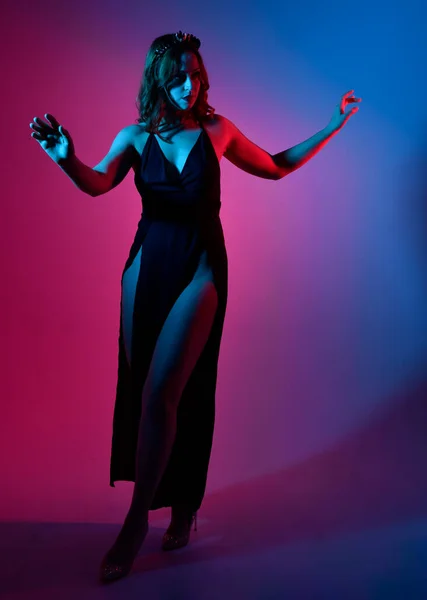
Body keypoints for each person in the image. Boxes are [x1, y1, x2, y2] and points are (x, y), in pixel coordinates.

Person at [29, 31, 361, 583]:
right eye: (178, 75)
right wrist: (66, 159)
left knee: (168, 391)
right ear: (158, 78)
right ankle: (182, 507)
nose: (190, 85)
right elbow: (95, 184)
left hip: (202, 263)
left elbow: (276, 166)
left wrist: (333, 124)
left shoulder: (218, 130)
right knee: (150, 394)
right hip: (147, 262)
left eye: (196, 74)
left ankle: (138, 522)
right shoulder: (134, 137)